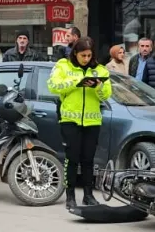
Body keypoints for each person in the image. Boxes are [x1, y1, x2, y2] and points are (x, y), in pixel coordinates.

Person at [47, 36, 111, 209]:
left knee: (88, 159)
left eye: (89, 55)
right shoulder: (63, 65)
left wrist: (98, 87)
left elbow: (106, 95)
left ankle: (88, 195)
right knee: (72, 158)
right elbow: (53, 85)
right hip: (70, 120)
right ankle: (70, 196)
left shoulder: (100, 70)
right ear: (75, 53)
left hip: (92, 121)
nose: (86, 59)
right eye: (83, 55)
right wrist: (76, 82)